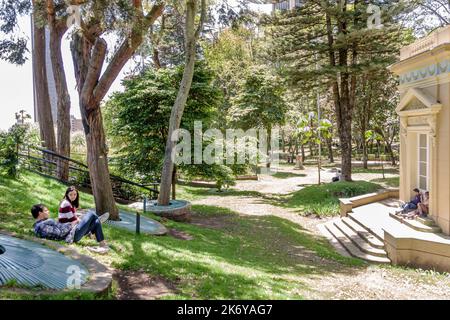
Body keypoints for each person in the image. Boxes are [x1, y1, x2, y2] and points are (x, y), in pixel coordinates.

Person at [31, 204, 110, 254]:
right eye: (46, 210)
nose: (48, 211)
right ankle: (96, 237)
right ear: (40, 213)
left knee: (95, 221)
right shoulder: (42, 226)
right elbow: (60, 233)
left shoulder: (42, 224)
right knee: (91, 214)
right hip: (72, 235)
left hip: (72, 232)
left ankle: (102, 244)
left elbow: (58, 228)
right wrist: (72, 224)